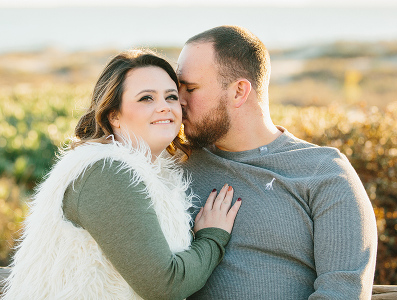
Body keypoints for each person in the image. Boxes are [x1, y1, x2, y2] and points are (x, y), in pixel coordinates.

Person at [2, 50, 241, 299]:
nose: (164, 107)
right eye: (146, 98)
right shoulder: (107, 173)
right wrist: (212, 238)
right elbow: (165, 285)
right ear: (114, 115)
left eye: (171, 97)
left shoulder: (155, 174)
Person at [175, 25, 378, 299]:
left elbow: (343, 292)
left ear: (239, 92)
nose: (178, 102)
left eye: (191, 88)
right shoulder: (174, 165)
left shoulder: (324, 173)